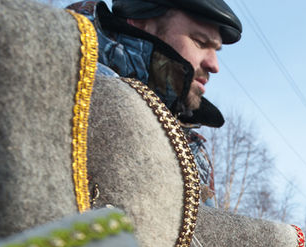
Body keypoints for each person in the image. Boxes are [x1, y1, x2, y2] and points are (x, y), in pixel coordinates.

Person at [67, 0, 242, 205]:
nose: (214, 65)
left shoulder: (193, 148)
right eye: (200, 42)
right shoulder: (75, 86)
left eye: (216, 50)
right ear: (140, 23)